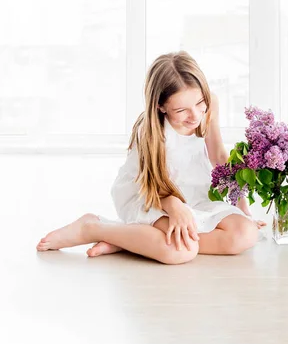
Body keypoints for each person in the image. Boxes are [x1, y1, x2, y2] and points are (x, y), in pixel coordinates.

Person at [37, 51, 265, 264]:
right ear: (160, 106)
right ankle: (93, 227)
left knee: (245, 234)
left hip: (194, 195)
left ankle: (134, 240)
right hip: (153, 196)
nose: (195, 115)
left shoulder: (210, 104)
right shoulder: (151, 130)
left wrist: (243, 208)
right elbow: (149, 185)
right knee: (181, 250)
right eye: (181, 111)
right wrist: (174, 206)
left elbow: (218, 156)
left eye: (199, 103)